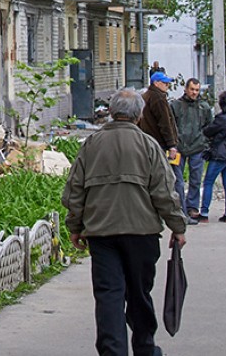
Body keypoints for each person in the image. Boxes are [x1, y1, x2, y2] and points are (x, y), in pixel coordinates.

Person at [62, 88, 186, 356]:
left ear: (110, 112)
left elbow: (74, 191)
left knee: (109, 296)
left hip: (102, 235)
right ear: (139, 115)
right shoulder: (149, 145)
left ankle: (113, 352)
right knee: (140, 293)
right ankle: (145, 348)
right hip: (142, 233)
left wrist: (75, 227)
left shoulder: (91, 145)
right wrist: (177, 226)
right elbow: (165, 192)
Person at [170, 78, 212, 223]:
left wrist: (205, 142)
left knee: (196, 179)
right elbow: (171, 125)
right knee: (177, 180)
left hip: (197, 147)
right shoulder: (176, 105)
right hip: (179, 148)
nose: (194, 92)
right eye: (192, 89)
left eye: (197, 90)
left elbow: (209, 126)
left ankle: (192, 207)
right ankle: (179, 207)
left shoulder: (204, 107)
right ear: (186, 89)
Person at [199, 91, 226, 223]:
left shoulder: (221, 119)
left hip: (219, 154)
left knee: (209, 182)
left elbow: (207, 131)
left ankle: (204, 212)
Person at [139, 71, 180, 163]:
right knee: (167, 172)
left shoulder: (145, 96)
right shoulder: (158, 98)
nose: (167, 85)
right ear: (156, 83)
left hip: (147, 141)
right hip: (159, 142)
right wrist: (171, 145)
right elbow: (164, 122)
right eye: (165, 83)